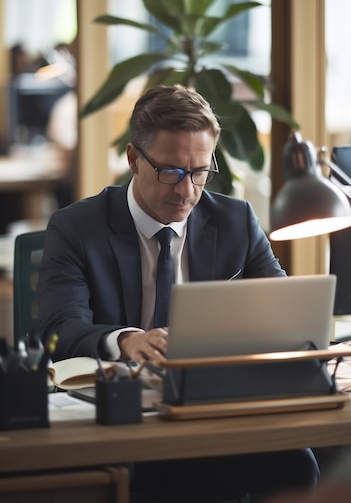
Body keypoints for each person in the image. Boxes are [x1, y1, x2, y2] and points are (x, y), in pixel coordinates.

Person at [37, 84, 319, 503]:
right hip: (124, 419)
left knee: (297, 465)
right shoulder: (77, 227)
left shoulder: (236, 220)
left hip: (213, 410)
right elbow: (59, 328)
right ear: (134, 159)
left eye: (200, 172)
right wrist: (127, 339)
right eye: (171, 171)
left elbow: (282, 309)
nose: (187, 191)